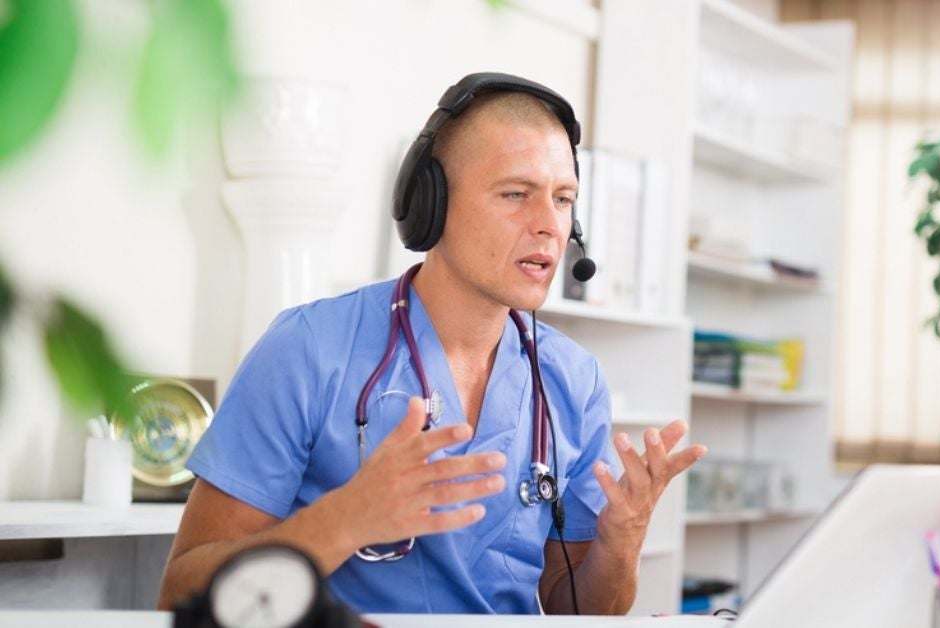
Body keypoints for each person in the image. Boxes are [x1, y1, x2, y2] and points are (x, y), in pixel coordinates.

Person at [157, 73, 707, 615]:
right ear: (431, 204)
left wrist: (621, 542)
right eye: (516, 194)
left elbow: (579, 611)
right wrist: (344, 520)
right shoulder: (307, 349)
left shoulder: (573, 378)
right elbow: (181, 592)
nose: (549, 226)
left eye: (564, 199)